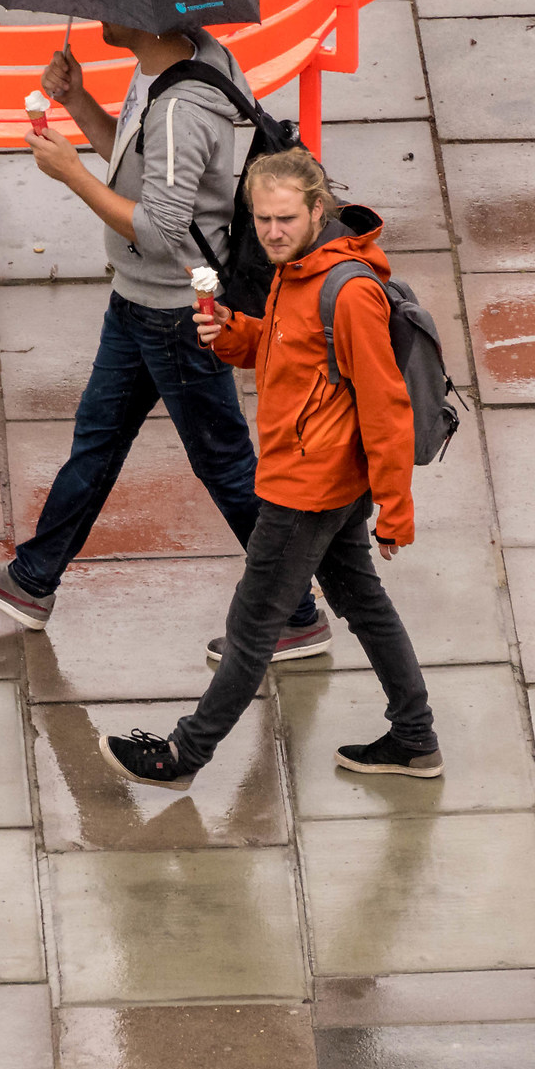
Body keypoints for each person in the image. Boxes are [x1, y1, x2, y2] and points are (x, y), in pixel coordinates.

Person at [0, 20, 327, 658]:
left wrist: (71, 174)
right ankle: (32, 580)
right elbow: (141, 169)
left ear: (144, 16)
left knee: (225, 465)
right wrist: (79, 101)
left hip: (175, 313)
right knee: (97, 442)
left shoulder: (179, 110)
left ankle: (296, 613)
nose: (99, 17)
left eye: (109, 8)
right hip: (140, 300)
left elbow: (161, 229)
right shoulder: (170, 66)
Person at [100, 148, 441, 789]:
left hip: (308, 488)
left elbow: (386, 406)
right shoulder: (298, 269)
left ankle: (182, 756)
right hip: (321, 476)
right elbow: (289, 352)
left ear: (317, 210)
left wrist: (396, 508)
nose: (273, 232)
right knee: (364, 605)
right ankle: (415, 738)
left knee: (252, 627)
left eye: (285, 219)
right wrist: (234, 332)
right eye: (262, 220)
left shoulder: (348, 292)